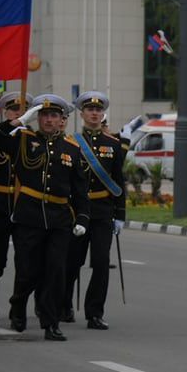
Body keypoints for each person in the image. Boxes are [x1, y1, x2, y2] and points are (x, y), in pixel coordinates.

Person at [0, 94, 90, 340]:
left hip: (59, 218)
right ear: (37, 118)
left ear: (61, 120)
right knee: (29, 270)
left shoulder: (71, 148)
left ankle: (50, 323)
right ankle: (18, 304)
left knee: (55, 270)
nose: (49, 120)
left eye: (54, 116)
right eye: (44, 115)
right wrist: (16, 123)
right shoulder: (23, 140)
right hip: (29, 217)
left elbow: (80, 189)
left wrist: (82, 218)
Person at [61, 91, 126, 330]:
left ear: (102, 114)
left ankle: (94, 313)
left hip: (102, 212)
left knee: (100, 262)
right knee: (71, 262)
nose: (95, 114)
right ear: (83, 113)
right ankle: (64, 305)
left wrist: (120, 214)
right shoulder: (70, 143)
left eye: (98, 110)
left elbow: (119, 181)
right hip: (76, 212)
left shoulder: (113, 144)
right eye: (90, 110)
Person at [0, 92, 33, 327]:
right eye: (13, 110)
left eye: (23, 110)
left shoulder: (33, 140)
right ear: (4, 113)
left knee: (27, 265)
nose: (18, 114)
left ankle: (17, 309)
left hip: (25, 208)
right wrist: (11, 126)